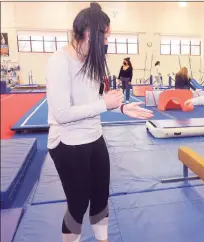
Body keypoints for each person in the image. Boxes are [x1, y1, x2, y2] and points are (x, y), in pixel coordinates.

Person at [45, 3, 154, 242]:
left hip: (94, 137)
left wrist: (122, 106)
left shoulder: (93, 62)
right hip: (67, 143)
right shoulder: (59, 62)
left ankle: (102, 239)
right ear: (87, 33)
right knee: (78, 203)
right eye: (105, 36)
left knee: (101, 197)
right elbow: (62, 114)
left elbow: (95, 99)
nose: (107, 42)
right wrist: (105, 104)